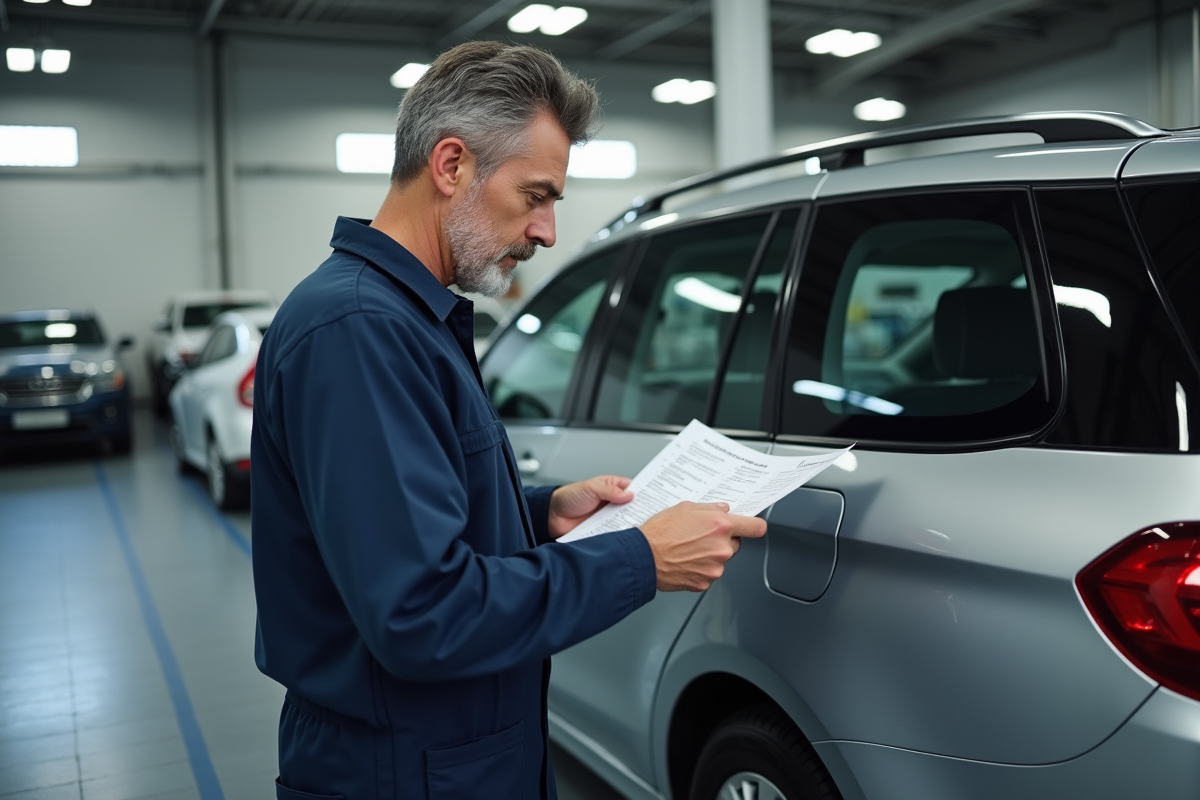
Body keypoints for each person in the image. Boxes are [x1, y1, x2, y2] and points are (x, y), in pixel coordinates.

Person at [251, 41, 766, 800]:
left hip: (452, 753)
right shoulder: (361, 331)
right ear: (452, 165)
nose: (549, 231)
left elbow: (399, 522)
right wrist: (640, 561)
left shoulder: (408, 319)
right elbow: (421, 614)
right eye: (536, 196)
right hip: (402, 769)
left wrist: (537, 515)